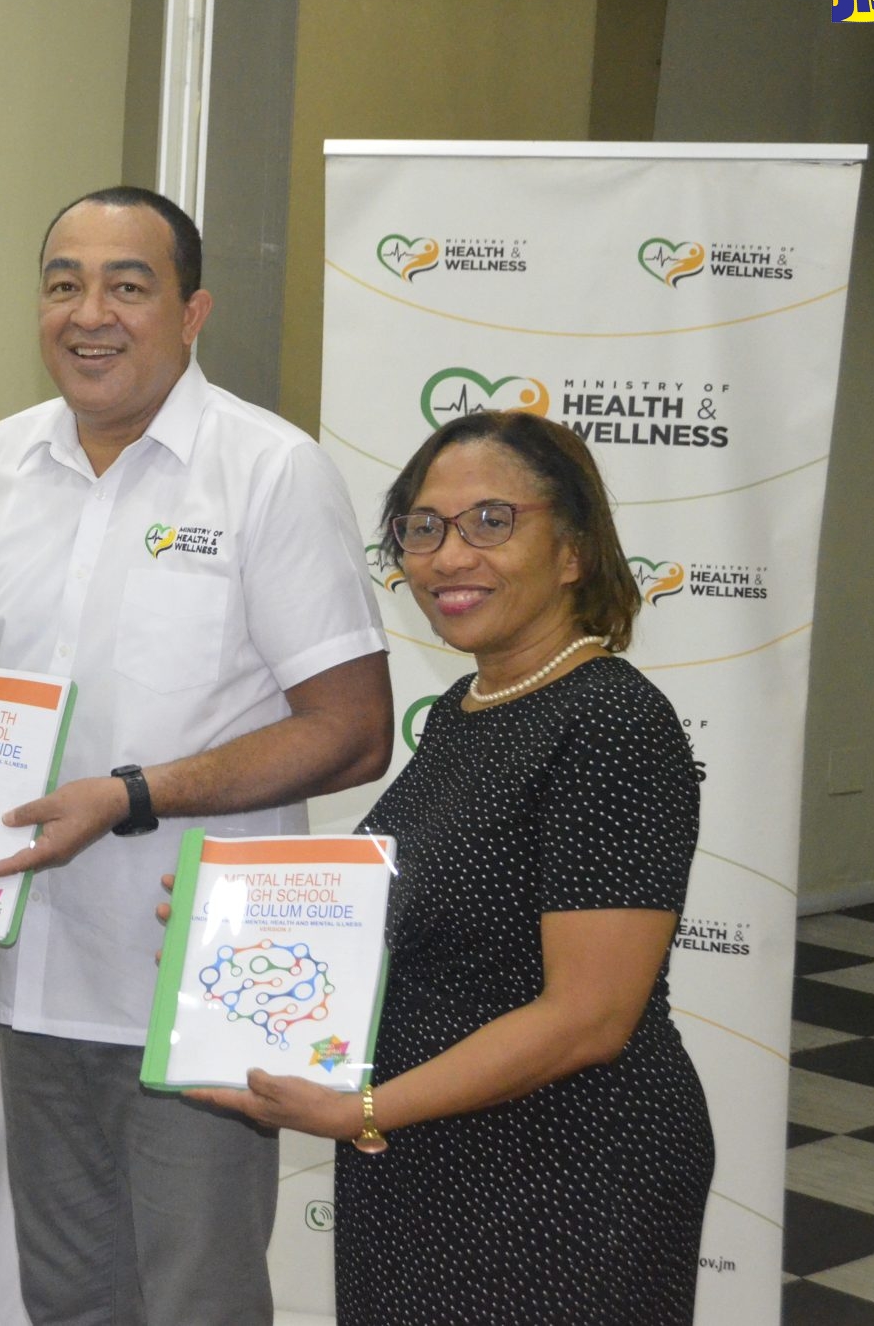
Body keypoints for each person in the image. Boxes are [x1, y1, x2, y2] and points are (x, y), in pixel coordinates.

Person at [0, 187, 393, 1325]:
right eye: (63, 283)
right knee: (68, 1301)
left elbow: (351, 728)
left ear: (191, 313)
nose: (90, 313)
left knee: (196, 1303)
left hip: (206, 983)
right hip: (31, 973)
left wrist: (133, 795)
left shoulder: (269, 470)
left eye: (127, 286)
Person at [182, 409, 714, 1324]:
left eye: (492, 522)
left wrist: (367, 1110)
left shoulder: (611, 724)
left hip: (564, 1173)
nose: (448, 556)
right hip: (426, 1152)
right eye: (423, 528)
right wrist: (240, 923)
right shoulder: (472, 707)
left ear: (574, 550)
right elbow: (426, 920)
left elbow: (589, 1017)